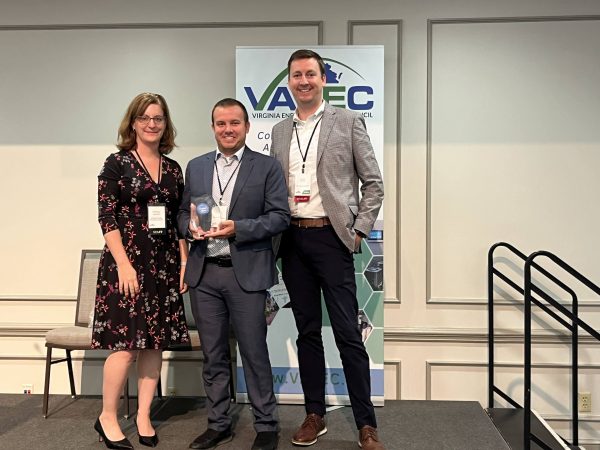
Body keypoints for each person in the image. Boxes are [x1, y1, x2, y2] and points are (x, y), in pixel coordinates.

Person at [270, 49, 385, 450]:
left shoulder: (348, 121)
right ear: (289, 82)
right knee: (306, 333)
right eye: (296, 75)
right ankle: (314, 414)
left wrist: (358, 231)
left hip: (333, 238)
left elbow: (374, 184)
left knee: (348, 333)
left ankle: (366, 423)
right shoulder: (280, 131)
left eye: (310, 74)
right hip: (292, 240)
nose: (303, 81)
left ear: (323, 79)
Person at [178, 98, 290, 450]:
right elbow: (181, 213)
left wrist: (238, 228)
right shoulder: (196, 166)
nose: (228, 129)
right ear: (213, 127)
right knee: (213, 355)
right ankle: (218, 424)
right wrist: (189, 228)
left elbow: (279, 217)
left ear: (247, 127)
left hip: (246, 276)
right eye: (221, 123)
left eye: (235, 123)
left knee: (254, 353)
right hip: (205, 275)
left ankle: (266, 425)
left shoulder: (266, 167)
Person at [92, 92, 190, 449]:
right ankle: (107, 416)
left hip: (164, 264)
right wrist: (123, 264)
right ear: (133, 122)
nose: (152, 124)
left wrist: (184, 263)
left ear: (165, 123)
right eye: (145, 117)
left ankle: (144, 415)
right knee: (126, 346)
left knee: (154, 344)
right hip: (127, 265)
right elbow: (106, 216)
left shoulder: (174, 169)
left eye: (158, 118)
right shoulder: (116, 163)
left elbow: (179, 220)